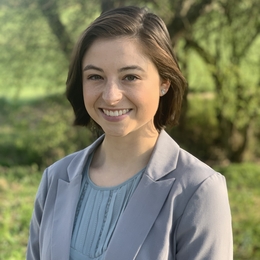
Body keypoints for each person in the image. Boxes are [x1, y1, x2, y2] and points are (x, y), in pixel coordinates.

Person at [26, 6, 233, 260]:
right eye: (95, 77)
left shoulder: (198, 190)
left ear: (164, 83)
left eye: (130, 77)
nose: (111, 96)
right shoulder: (55, 179)